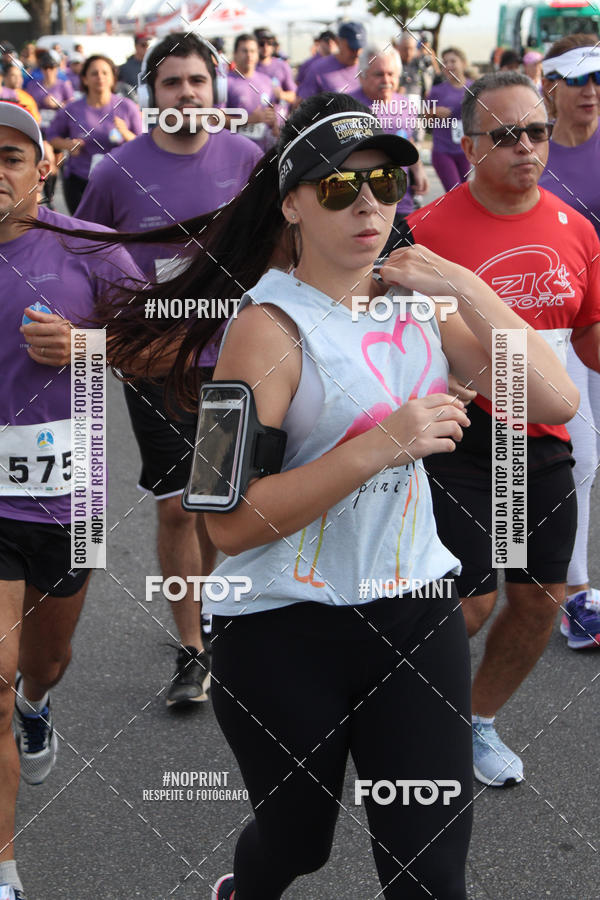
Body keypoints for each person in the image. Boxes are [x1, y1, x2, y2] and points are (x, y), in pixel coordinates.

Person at [63, 91, 577, 899]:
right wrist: (384, 444)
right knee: (298, 841)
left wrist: (463, 285)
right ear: (294, 203)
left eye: (385, 184)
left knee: (430, 871)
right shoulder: (264, 329)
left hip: (415, 609)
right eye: (339, 187)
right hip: (283, 628)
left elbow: (553, 401)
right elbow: (227, 523)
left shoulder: (421, 303)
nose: (367, 203)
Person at [407, 70, 600, 786]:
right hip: (460, 434)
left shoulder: (575, 228)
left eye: (537, 132)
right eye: (506, 134)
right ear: (467, 145)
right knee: (472, 598)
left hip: (542, 435)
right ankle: (405, 705)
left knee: (540, 597)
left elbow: (589, 338)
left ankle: (476, 722)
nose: (526, 147)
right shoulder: (426, 230)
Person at [75, 32, 262, 705]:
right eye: (172, 83)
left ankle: (207, 611)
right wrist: (108, 346)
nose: (186, 93)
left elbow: (282, 249)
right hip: (156, 364)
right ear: (151, 93)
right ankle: (191, 649)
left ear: (216, 90)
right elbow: (88, 260)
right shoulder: (113, 171)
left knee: (219, 502)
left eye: (197, 81)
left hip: (237, 358)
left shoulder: (249, 159)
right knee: (180, 507)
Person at [0, 100, 142, 900]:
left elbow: (165, 343)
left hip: (67, 499)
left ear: (40, 169)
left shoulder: (88, 247)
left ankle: (40, 703)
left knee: (43, 661)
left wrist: (89, 344)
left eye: (11, 156)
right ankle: (5, 872)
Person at [539, 34, 600, 649]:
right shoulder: (532, 151)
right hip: (554, 330)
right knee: (577, 459)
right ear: (549, 83)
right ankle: (576, 594)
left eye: (599, 78)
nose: (591, 90)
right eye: (578, 78)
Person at [349, 43, 428, 252]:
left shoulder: (405, 105)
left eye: (391, 74)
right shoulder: (348, 107)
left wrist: (418, 169)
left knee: (398, 263)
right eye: (378, 74)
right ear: (362, 75)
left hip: (401, 202)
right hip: (362, 204)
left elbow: (407, 140)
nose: (386, 81)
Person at [46, 54, 142, 214]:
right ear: (84, 79)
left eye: (105, 73)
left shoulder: (128, 107)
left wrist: (125, 133)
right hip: (80, 181)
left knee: (115, 233)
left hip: (119, 181)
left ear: (113, 78)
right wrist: (68, 145)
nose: (100, 77)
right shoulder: (72, 109)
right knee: (83, 233)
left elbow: (142, 145)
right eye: (94, 73)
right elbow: (51, 136)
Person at [426, 47, 472, 192]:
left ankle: (457, 215)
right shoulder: (436, 91)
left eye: (453, 61)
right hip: (442, 150)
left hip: (465, 150)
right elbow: (423, 117)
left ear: (463, 63)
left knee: (462, 191)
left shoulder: (474, 87)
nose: (449, 65)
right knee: (455, 191)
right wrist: (434, 112)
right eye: (445, 62)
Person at [226, 34, 278, 151]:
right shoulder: (226, 82)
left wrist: (274, 125)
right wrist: (248, 120)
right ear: (235, 54)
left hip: (262, 152)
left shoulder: (266, 80)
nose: (249, 55)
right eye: (244, 51)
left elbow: (271, 110)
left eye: (253, 51)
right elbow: (214, 120)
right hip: (235, 152)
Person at [297, 21, 366, 99]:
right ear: (338, 42)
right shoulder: (318, 69)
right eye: (352, 47)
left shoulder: (371, 68)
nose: (357, 52)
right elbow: (302, 104)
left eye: (359, 47)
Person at [25, 52, 73, 132]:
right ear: (41, 69)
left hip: (58, 125)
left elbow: (72, 105)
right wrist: (38, 104)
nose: (48, 71)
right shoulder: (32, 85)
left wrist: (58, 104)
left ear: (56, 69)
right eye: (45, 67)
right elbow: (26, 102)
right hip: (37, 125)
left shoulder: (64, 85)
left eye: (51, 67)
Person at [255, 28, 296, 115]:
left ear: (273, 46)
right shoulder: (250, 66)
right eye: (261, 44)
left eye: (269, 43)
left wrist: (281, 95)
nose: (265, 47)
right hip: (257, 121)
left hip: (280, 120)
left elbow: (294, 95)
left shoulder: (282, 65)